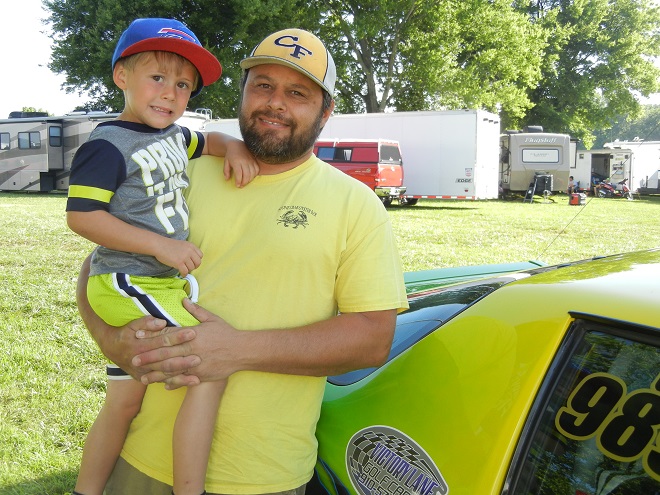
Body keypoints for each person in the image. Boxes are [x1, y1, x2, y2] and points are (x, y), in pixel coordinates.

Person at [75, 28, 409, 495]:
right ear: (244, 91)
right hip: (140, 463)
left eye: (298, 93)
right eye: (263, 85)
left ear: (326, 110)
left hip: (265, 476)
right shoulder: (178, 167)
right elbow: (98, 266)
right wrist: (110, 339)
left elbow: (372, 339)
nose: (275, 103)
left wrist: (235, 349)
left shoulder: (357, 205)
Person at [66, 18, 258, 495]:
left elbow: (209, 141)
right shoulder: (107, 144)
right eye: (157, 78)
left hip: (152, 283)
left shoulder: (174, 135)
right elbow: (82, 217)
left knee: (123, 403)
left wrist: (234, 146)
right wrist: (161, 246)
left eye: (183, 85)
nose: (170, 94)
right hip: (129, 279)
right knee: (211, 367)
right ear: (122, 76)